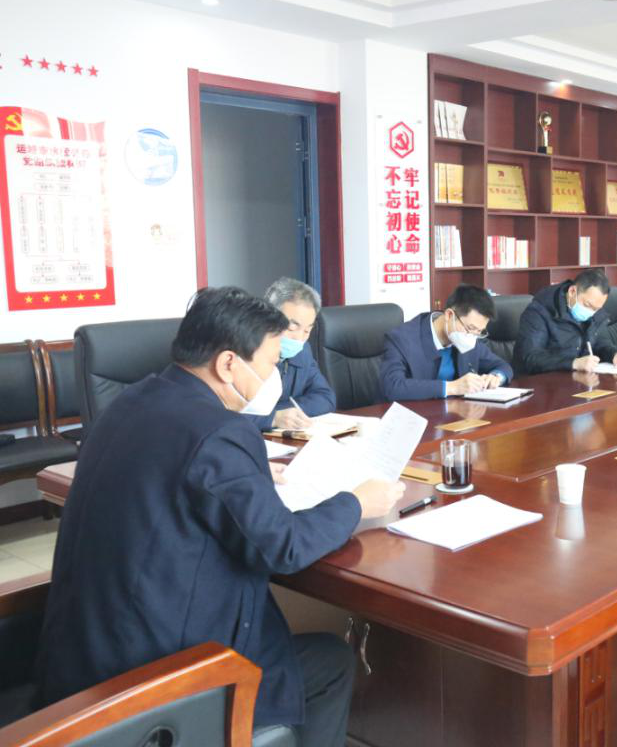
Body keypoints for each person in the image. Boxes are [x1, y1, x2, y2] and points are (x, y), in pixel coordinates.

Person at [35, 287, 405, 747]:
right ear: (229, 363)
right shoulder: (220, 432)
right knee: (330, 662)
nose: (274, 378)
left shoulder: (130, 403)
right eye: (271, 364)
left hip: (81, 657)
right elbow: (282, 547)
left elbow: (176, 474)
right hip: (157, 677)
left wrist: (247, 471)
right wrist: (356, 503)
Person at [379, 283, 514, 401]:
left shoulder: (470, 337)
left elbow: (503, 366)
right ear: (449, 315)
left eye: (479, 331)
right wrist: (452, 387)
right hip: (410, 416)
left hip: (455, 414)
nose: (473, 336)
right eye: (470, 328)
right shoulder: (401, 339)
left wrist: (496, 377)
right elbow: (393, 387)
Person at [246, 276, 336, 433]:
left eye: (307, 330)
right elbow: (220, 414)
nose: (299, 338)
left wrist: (287, 414)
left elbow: (325, 397)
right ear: (266, 318)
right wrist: (273, 417)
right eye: (292, 328)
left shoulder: (302, 351)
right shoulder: (241, 352)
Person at [513, 269, 617, 375]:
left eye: (596, 309)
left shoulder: (594, 309)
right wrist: (573, 363)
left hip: (578, 381)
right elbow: (530, 358)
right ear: (572, 291)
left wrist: (615, 354)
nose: (590, 312)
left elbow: (600, 343)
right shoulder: (540, 310)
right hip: (541, 385)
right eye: (587, 305)